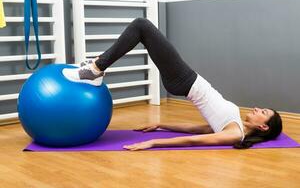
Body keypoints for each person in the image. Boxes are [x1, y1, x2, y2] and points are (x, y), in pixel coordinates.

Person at [63, 18, 282, 151]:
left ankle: (95, 69)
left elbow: (196, 141)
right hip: (184, 80)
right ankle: (98, 66)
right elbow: (200, 129)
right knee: (143, 31)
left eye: (262, 112)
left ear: (263, 126)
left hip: (184, 80)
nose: (256, 108)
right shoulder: (235, 127)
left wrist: (154, 143)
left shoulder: (235, 135)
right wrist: (161, 125)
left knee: (142, 26)